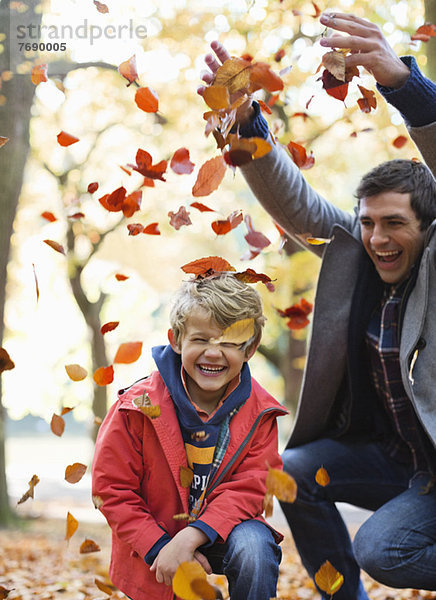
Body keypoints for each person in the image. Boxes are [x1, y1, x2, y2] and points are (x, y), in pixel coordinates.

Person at [198, 11, 436, 600]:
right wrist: (246, 126)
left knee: (383, 548)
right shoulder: (359, 255)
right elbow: (301, 206)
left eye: (395, 224)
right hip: (399, 464)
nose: (378, 238)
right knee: (296, 469)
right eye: (368, 223)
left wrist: (404, 85)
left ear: (428, 229)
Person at [91, 273, 287, 600]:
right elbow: (111, 490)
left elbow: (254, 485)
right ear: (177, 339)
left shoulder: (260, 412)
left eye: (229, 343)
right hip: (153, 536)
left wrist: (192, 537)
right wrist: (161, 548)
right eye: (201, 340)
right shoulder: (136, 407)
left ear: (250, 349)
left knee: (255, 548)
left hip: (224, 530)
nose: (214, 353)